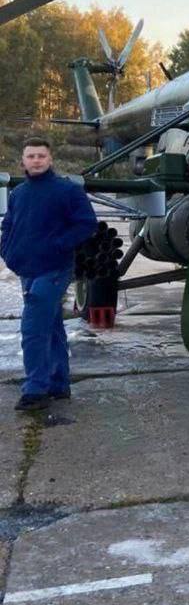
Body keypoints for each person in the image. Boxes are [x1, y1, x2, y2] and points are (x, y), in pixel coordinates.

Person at [0, 137, 98, 411]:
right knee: (51, 326)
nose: (36, 160)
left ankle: (35, 390)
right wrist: (7, 251)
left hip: (54, 268)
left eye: (41, 156)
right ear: (23, 161)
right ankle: (58, 383)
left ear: (50, 159)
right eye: (31, 156)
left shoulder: (67, 191)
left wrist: (59, 245)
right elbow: (8, 225)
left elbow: (86, 224)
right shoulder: (19, 193)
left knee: (32, 328)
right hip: (27, 269)